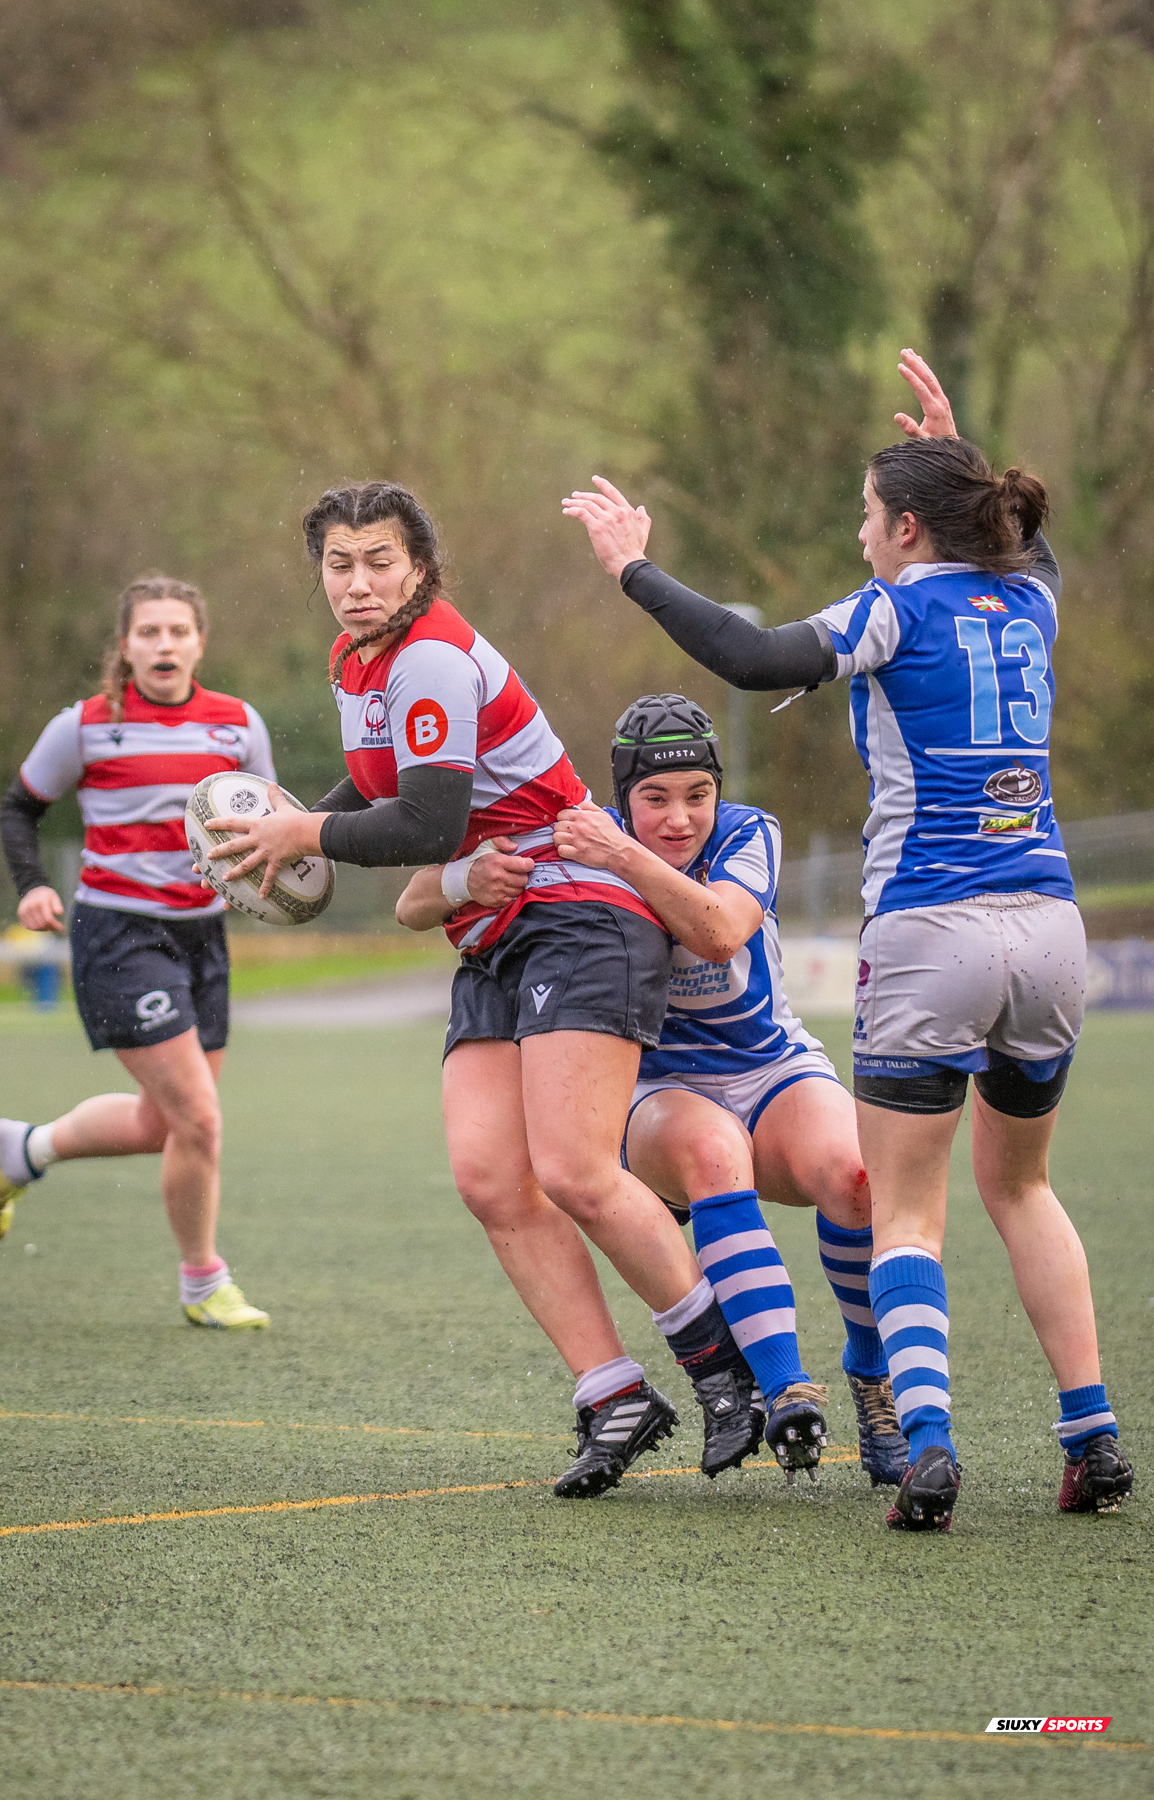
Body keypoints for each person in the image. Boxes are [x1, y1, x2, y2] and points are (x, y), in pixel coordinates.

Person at [561, 351, 1134, 1530]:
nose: (858, 533)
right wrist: (958, 449)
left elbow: (751, 657)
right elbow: (1023, 547)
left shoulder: (892, 605)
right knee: (1022, 1189)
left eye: (868, 516)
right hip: (1051, 925)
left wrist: (631, 568)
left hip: (932, 932)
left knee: (908, 1212)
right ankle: (1091, 1431)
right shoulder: (1030, 597)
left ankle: (922, 1437)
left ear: (906, 527)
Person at [204, 480, 756, 1496]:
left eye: (379, 562)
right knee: (490, 1179)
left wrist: (300, 834)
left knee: (576, 1169)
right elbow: (375, 796)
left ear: (418, 568)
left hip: (580, 915)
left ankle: (728, 1374)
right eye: (338, 563)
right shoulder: (355, 661)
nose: (358, 582)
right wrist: (282, 834)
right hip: (498, 931)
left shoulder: (426, 659)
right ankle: (613, 1394)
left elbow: (422, 821)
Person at [402, 694, 908, 1490]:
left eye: (696, 795)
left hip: (770, 1067)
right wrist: (467, 877)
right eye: (654, 799)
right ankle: (781, 1391)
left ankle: (871, 1380)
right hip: (661, 1092)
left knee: (856, 1178)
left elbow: (718, 930)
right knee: (711, 1154)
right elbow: (412, 902)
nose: (678, 818)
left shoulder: (747, 832)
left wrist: (621, 856)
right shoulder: (577, 835)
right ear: (621, 795)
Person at [0, 575, 272, 1330]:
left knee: (162, 1123)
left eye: (178, 631)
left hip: (203, 935)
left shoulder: (237, 726)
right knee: (200, 1120)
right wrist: (32, 885)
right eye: (149, 632)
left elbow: (274, 822)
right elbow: (20, 808)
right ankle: (203, 1281)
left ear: (199, 642)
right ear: (126, 646)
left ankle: (25, 1150)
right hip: (116, 933)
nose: (164, 644)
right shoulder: (84, 727)